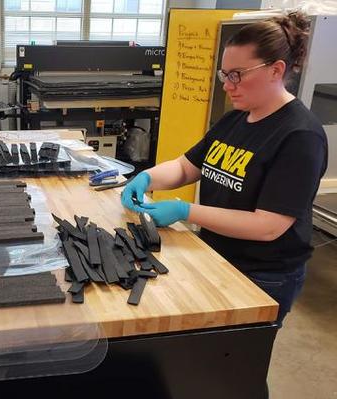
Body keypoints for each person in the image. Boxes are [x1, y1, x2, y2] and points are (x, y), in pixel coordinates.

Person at [121, 11, 327, 325]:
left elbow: (268, 226)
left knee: (238, 365)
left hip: (263, 273)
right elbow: (186, 167)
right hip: (216, 255)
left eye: (238, 74)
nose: (228, 86)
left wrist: (185, 211)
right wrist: (146, 176)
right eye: (225, 74)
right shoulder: (236, 119)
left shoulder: (300, 136)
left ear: (276, 70)